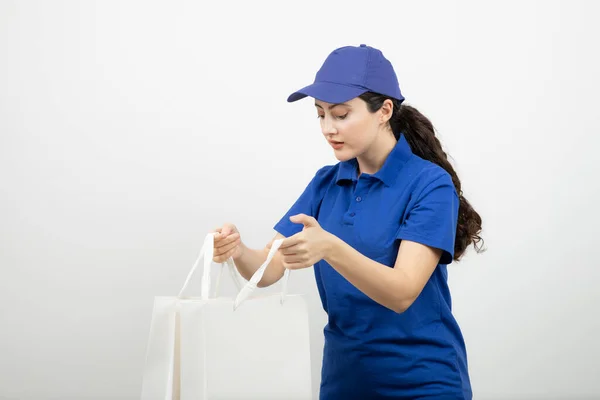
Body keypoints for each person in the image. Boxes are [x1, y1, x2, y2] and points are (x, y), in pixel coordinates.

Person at [212, 44, 484, 400]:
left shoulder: (429, 184)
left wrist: (329, 247)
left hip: (423, 383)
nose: (328, 128)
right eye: (320, 114)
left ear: (384, 110)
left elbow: (402, 292)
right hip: (345, 382)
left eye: (340, 115)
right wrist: (237, 249)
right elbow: (270, 268)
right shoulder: (327, 183)